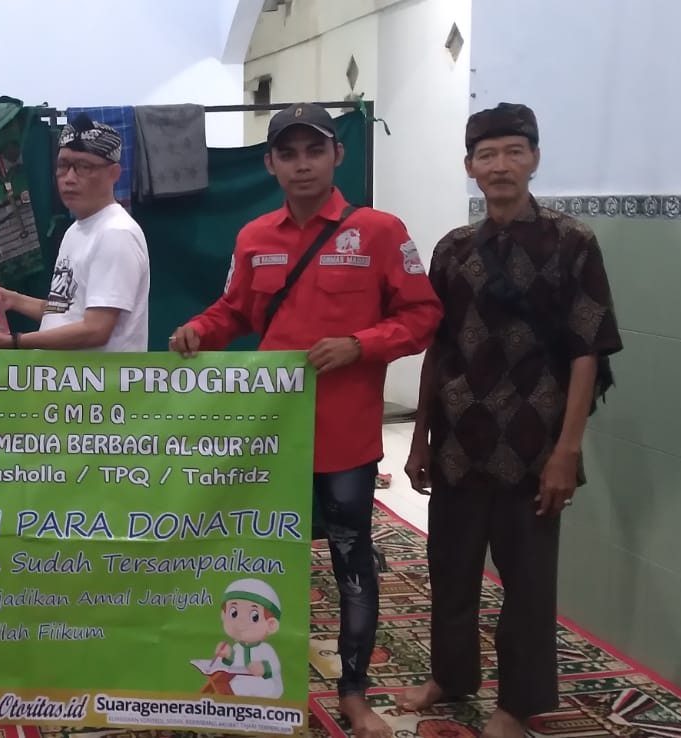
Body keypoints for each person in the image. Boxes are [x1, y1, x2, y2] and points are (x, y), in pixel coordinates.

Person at [169, 102, 441, 738]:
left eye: (314, 150)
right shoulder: (254, 237)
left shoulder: (378, 232)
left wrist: (360, 345)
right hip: (269, 437)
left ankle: (353, 694)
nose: (302, 165)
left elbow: (424, 317)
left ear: (337, 155)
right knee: (257, 558)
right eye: (287, 154)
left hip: (344, 440)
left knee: (352, 565)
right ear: (269, 164)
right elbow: (233, 311)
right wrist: (198, 331)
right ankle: (247, 677)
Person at [399, 103, 622, 738]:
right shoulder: (453, 250)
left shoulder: (572, 243)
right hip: (458, 445)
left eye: (513, 152)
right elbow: (438, 348)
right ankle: (451, 676)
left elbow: (588, 352)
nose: (500, 165)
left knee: (527, 583)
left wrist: (567, 451)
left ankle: (516, 705)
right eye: (487, 155)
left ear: (534, 159)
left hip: (534, 446)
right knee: (450, 568)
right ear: (470, 166)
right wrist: (420, 438)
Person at [0, 114, 150, 352]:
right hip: (68, 375)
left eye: (84, 167)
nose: (69, 178)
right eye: (63, 166)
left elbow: (96, 330)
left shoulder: (116, 233)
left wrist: (16, 342)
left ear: (114, 173)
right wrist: (14, 300)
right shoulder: (77, 230)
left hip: (100, 377)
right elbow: (66, 312)